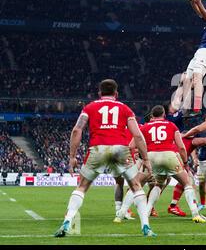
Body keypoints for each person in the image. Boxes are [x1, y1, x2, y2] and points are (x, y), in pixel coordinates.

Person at [54, 79, 156, 238]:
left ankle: (67, 221)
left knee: (82, 187)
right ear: (116, 94)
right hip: (121, 150)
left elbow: (76, 130)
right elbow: (138, 135)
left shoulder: (89, 107)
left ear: (99, 93)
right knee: (136, 186)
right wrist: (146, 160)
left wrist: (72, 157)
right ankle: (146, 227)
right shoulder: (125, 109)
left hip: (97, 149)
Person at [139, 105, 206, 223]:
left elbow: (137, 143)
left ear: (152, 115)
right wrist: (185, 163)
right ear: (164, 115)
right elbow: (181, 147)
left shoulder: (145, 126)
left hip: (151, 157)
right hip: (168, 155)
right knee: (187, 183)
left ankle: (146, 212)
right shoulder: (171, 125)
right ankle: (195, 214)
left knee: (158, 184)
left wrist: (143, 158)